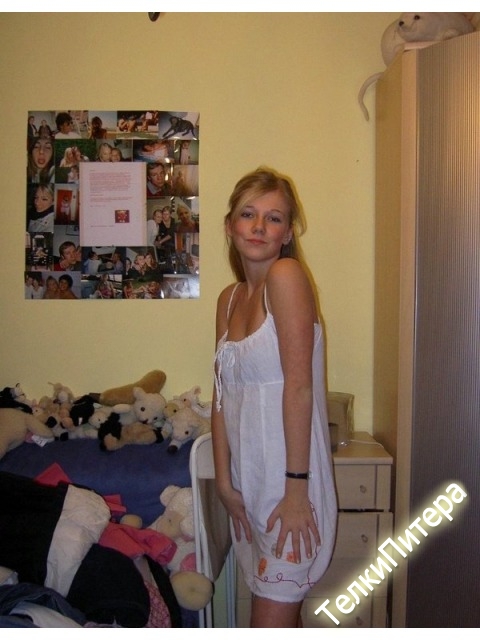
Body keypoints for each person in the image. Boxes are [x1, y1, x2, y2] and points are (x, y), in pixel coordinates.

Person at [212, 167, 337, 628]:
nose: (260, 226)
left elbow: (299, 387)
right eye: (249, 214)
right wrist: (224, 483)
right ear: (230, 225)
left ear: (287, 234)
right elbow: (221, 394)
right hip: (249, 486)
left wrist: (297, 492)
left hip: (289, 486)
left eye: (275, 218)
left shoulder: (286, 276)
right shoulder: (228, 299)